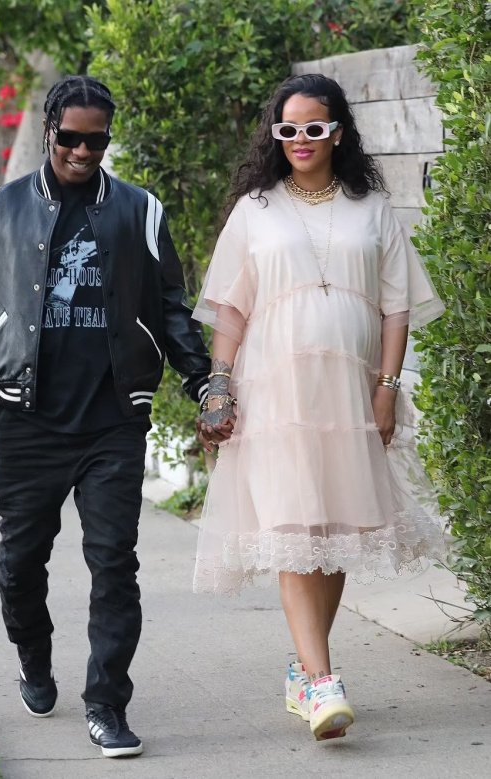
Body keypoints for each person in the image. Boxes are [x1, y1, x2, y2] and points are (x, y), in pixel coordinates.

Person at [0, 75, 210, 758]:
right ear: (48, 131)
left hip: (111, 421)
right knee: (20, 564)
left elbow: (170, 309)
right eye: (70, 137)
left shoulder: (139, 211)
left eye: (95, 140)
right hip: (25, 419)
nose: (81, 151)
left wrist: (203, 381)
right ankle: (35, 662)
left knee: (113, 563)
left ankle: (106, 704)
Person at [193, 74, 445, 742]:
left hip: (350, 394)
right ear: (274, 135)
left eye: (312, 127)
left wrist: (386, 386)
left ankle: (304, 672)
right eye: (287, 129)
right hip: (275, 390)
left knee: (332, 530)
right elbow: (230, 308)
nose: (299, 140)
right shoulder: (256, 209)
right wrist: (219, 384)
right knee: (293, 527)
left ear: (336, 132)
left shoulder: (372, 208)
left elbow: (396, 307)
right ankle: (322, 679)